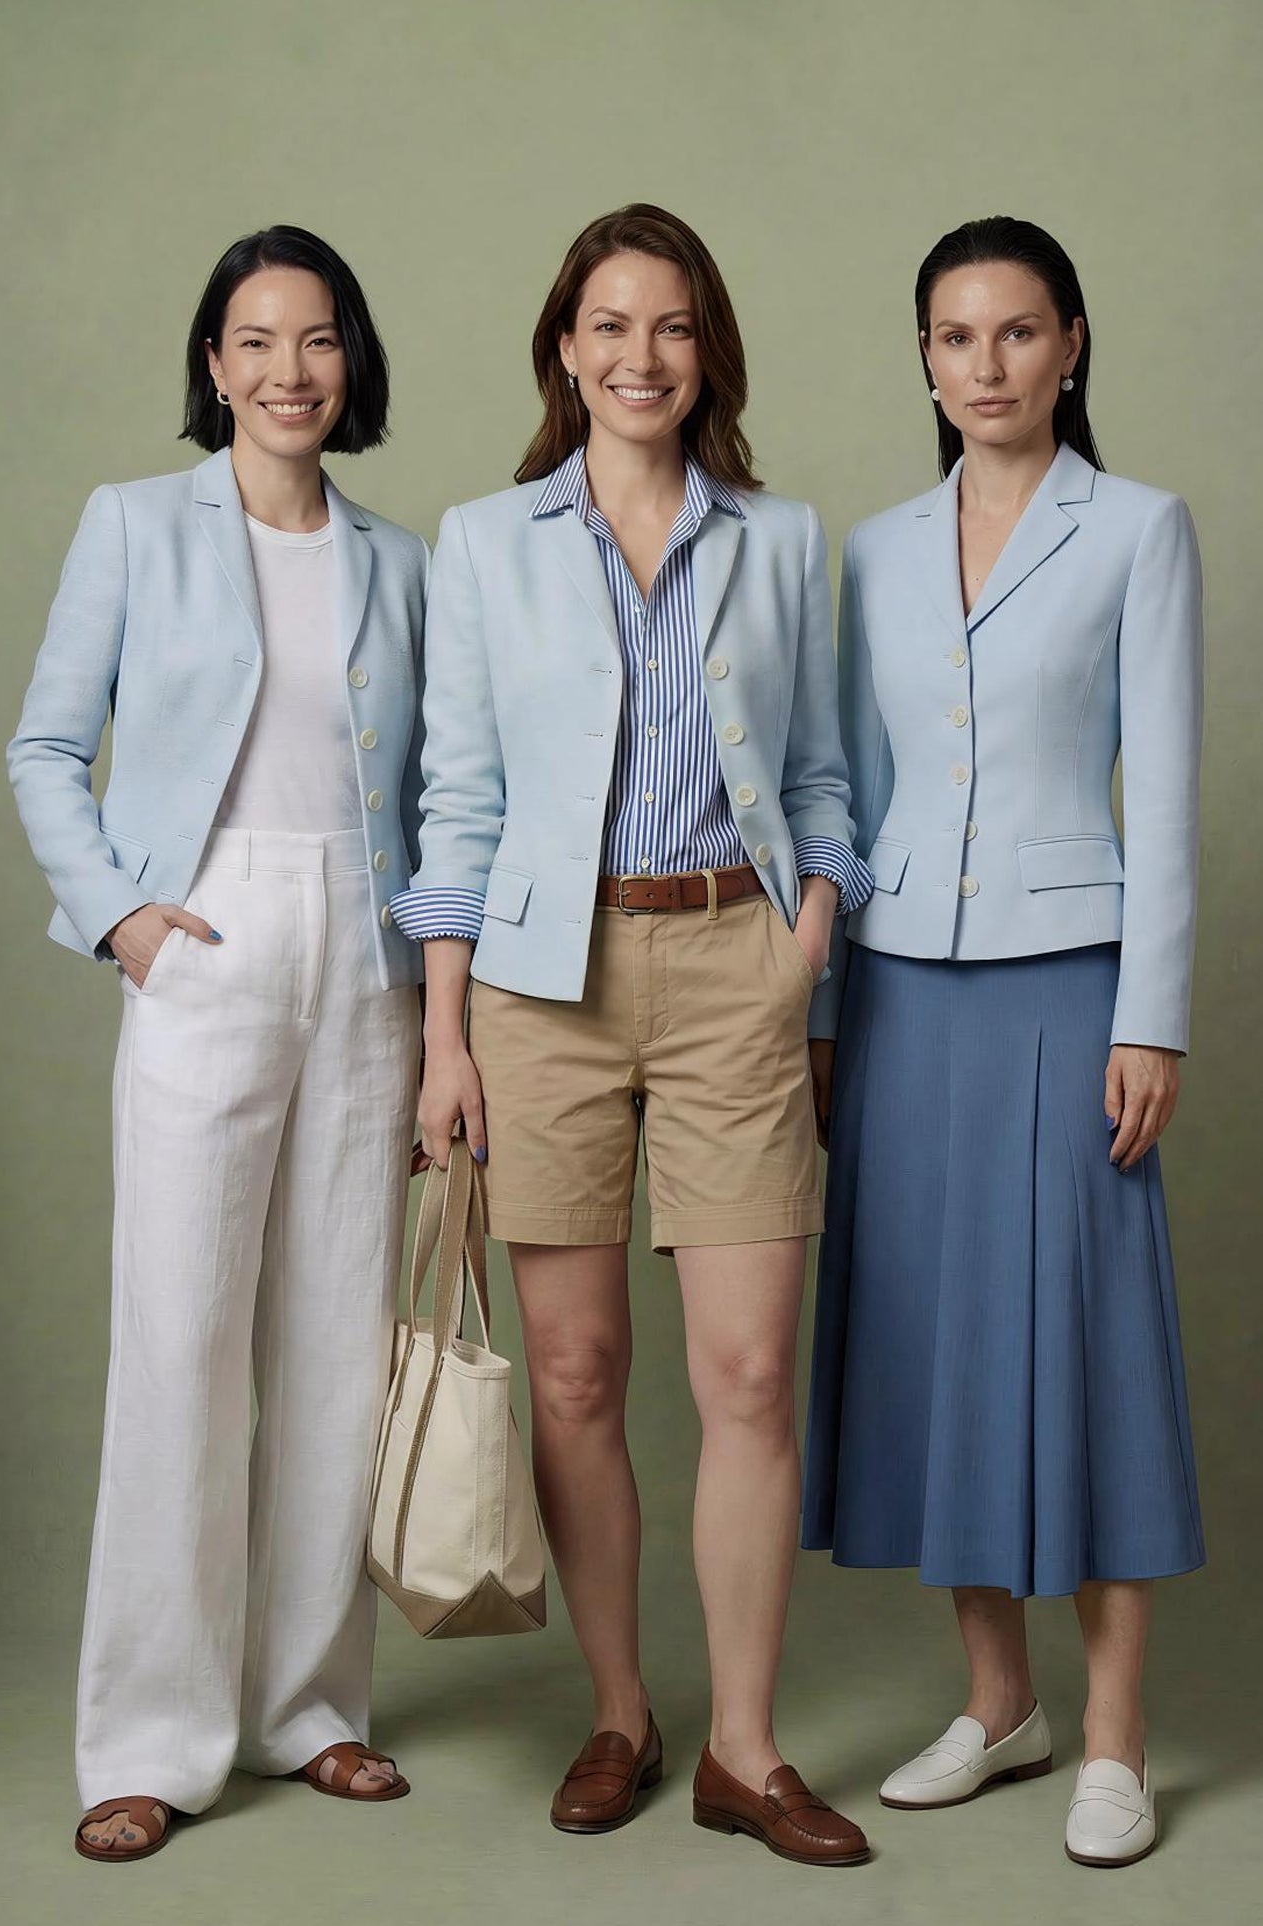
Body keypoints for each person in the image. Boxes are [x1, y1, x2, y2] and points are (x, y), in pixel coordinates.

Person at [397, 204, 873, 1867]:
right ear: (563, 349)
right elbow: (454, 801)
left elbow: (821, 771)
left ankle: (748, 1746)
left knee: (748, 1370)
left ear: (706, 349)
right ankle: (623, 1709)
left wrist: (815, 914)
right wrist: (444, 1034)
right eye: (608, 325)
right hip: (542, 983)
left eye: (670, 327)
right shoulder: (484, 542)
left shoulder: (781, 536)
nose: (639, 357)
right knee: (580, 1372)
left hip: (740, 960)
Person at [8, 225, 428, 1862]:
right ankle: (150, 1736)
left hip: (369, 954)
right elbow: (49, 739)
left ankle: (312, 1706)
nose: (288, 372)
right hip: (206, 933)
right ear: (212, 365)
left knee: (337, 1337)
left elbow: (433, 783)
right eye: (255, 341)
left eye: (318, 340)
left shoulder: (398, 559)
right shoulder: (134, 526)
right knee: (181, 1340)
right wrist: (120, 911)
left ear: (352, 361)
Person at [802, 215, 1204, 1869]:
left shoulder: (1139, 530)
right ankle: (999, 1700)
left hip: (1068, 981)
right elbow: (845, 791)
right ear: (924, 358)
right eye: (955, 339)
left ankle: (1113, 1737)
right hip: (901, 989)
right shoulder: (878, 550)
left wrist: (1150, 1013)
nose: (986, 366)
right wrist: (828, 1014)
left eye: (1017, 333)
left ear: (1073, 343)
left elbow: (1164, 792)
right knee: (934, 1338)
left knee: (1091, 1339)